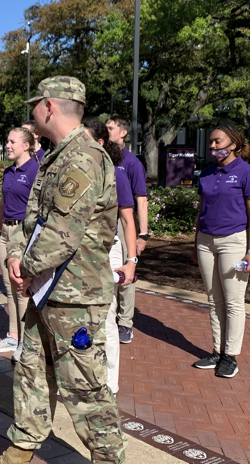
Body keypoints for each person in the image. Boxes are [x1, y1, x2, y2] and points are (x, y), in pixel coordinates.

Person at [0, 76, 126, 464]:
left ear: (50, 107)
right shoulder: (57, 155)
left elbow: (62, 233)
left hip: (75, 298)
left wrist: (24, 267)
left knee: (86, 390)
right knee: (31, 374)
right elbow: (33, 218)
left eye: (35, 105)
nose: (31, 113)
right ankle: (17, 454)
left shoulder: (84, 157)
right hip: (47, 291)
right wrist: (15, 255)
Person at [191, 125, 250, 378]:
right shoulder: (207, 173)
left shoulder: (248, 173)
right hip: (205, 241)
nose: (212, 147)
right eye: (210, 142)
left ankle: (230, 356)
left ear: (233, 144)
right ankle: (217, 351)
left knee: (233, 301)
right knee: (214, 300)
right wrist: (195, 242)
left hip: (233, 241)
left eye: (217, 142)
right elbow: (202, 210)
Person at [84, 118, 137, 395]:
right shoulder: (75, 173)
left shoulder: (116, 174)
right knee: (81, 316)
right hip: (79, 254)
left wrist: (131, 261)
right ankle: (85, 375)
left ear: (100, 143)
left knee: (106, 316)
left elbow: (128, 220)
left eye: (85, 139)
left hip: (109, 250)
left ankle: (110, 381)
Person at [0, 127, 39, 362]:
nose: (7, 145)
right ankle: (13, 335)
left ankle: (26, 342)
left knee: (21, 289)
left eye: (12, 141)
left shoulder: (35, 171)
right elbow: (2, 202)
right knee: (9, 288)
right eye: (7, 141)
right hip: (6, 233)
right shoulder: (8, 172)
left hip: (23, 233)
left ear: (26, 145)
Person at [106, 115, 149, 345]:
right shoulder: (103, 158)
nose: (107, 131)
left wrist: (142, 235)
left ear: (123, 132)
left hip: (124, 224)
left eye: (110, 128)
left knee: (125, 273)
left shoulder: (131, 163)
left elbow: (141, 200)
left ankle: (125, 323)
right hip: (105, 224)